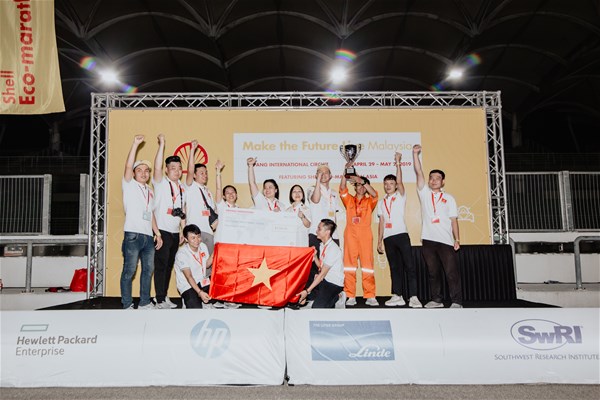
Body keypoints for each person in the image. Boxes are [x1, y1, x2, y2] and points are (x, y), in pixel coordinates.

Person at [412, 144, 463, 308]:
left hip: (446, 241)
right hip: (428, 240)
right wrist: (415, 154)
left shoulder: (449, 198)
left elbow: (454, 220)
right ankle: (437, 300)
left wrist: (457, 239)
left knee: (451, 272)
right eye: (431, 178)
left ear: (443, 181)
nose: (434, 180)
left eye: (437, 178)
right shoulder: (424, 193)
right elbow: (418, 172)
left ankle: (457, 301)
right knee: (433, 272)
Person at [120, 135, 163, 310]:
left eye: (146, 171)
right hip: (133, 234)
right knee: (129, 270)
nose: (144, 173)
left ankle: (144, 302)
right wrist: (135, 144)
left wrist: (157, 233)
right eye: (139, 170)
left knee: (148, 270)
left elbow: (151, 213)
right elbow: (127, 165)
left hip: (148, 237)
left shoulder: (150, 190)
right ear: (134, 173)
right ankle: (127, 304)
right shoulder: (129, 184)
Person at [377, 152, 422, 308]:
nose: (388, 186)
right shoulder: (381, 202)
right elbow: (381, 222)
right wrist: (379, 241)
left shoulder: (400, 195)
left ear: (395, 185)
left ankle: (414, 297)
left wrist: (397, 162)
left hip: (401, 235)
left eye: (391, 183)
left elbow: (400, 181)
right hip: (388, 238)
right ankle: (398, 295)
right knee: (394, 268)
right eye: (386, 183)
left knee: (409, 266)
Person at [152, 134, 186, 309]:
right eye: (173, 168)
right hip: (162, 230)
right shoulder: (160, 182)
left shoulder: (182, 187)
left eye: (179, 168)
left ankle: (164, 296)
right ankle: (159, 299)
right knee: (161, 265)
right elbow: (156, 167)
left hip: (174, 232)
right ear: (166, 170)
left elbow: (182, 211)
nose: (177, 171)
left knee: (169, 265)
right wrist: (162, 144)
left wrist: (182, 231)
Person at [339, 163, 379, 306]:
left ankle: (370, 295)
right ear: (354, 187)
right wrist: (346, 172)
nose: (361, 187)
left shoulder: (370, 201)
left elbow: (375, 194)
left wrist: (361, 180)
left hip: (365, 235)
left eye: (363, 185)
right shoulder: (349, 199)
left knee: (367, 265)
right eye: (358, 185)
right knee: (349, 266)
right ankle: (350, 295)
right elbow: (342, 188)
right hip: (350, 234)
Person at [306, 164, 342, 301]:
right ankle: (312, 296)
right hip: (316, 233)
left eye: (326, 172)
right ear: (316, 176)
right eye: (319, 173)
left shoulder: (334, 193)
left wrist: (335, 233)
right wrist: (318, 180)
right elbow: (315, 200)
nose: (323, 174)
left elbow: (334, 214)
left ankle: (334, 296)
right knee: (314, 266)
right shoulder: (312, 189)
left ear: (331, 176)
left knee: (332, 267)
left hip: (332, 235)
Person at [297, 219, 344, 308]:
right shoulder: (322, 245)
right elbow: (320, 266)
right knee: (307, 295)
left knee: (317, 308)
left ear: (327, 232)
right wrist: (315, 256)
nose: (316, 231)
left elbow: (322, 275)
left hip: (333, 283)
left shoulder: (333, 249)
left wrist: (307, 291)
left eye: (319, 229)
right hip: (324, 280)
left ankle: (338, 296)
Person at [185, 140, 217, 255]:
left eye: (206, 173)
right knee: (195, 262)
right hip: (195, 232)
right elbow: (190, 170)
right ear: (194, 175)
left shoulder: (208, 192)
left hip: (209, 232)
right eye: (201, 173)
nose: (205, 175)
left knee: (209, 263)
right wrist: (192, 150)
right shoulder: (190, 186)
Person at [174, 224, 213, 309]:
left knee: (219, 284)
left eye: (198, 236)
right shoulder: (182, 254)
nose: (197, 240)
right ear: (186, 239)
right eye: (193, 238)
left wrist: (215, 252)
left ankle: (202, 299)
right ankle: (188, 299)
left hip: (202, 281)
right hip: (188, 285)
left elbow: (206, 265)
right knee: (195, 309)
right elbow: (189, 277)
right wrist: (200, 292)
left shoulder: (203, 246)